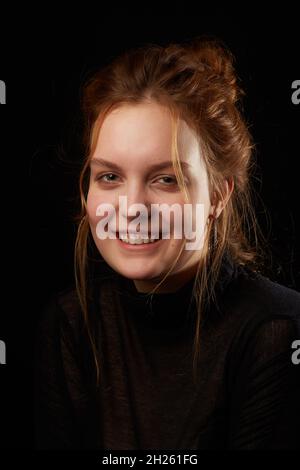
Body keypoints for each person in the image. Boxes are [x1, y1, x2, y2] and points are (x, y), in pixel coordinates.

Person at [35, 36, 300, 450]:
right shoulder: (70, 324)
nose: (132, 208)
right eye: (110, 177)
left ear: (217, 195)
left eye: (166, 179)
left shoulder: (277, 332)